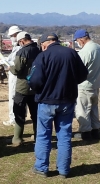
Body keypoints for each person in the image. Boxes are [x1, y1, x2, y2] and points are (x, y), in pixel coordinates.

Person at [28, 33, 88, 178]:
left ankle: (42, 167)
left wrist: (39, 89)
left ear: (44, 44)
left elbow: (34, 80)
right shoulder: (72, 53)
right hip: (67, 100)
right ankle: (64, 169)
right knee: (64, 136)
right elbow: (82, 75)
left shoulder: (43, 56)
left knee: (43, 135)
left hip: (46, 101)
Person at [9, 31, 40, 145]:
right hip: (36, 86)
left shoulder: (22, 51)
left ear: (22, 41)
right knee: (36, 113)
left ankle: (17, 138)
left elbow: (16, 69)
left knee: (19, 111)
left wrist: (9, 67)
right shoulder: (39, 50)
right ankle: (38, 136)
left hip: (22, 86)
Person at [73, 29, 100, 140]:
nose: (77, 42)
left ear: (81, 39)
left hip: (84, 85)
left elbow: (78, 69)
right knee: (93, 109)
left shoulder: (85, 51)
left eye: (77, 40)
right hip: (96, 83)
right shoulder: (99, 48)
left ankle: (85, 132)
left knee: (83, 110)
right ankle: (95, 130)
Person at [0, 25, 23, 126]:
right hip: (16, 73)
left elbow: (13, 62)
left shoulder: (19, 47)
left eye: (12, 35)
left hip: (15, 75)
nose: (11, 37)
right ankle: (19, 116)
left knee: (13, 96)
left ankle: (14, 118)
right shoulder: (18, 47)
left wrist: (1, 60)